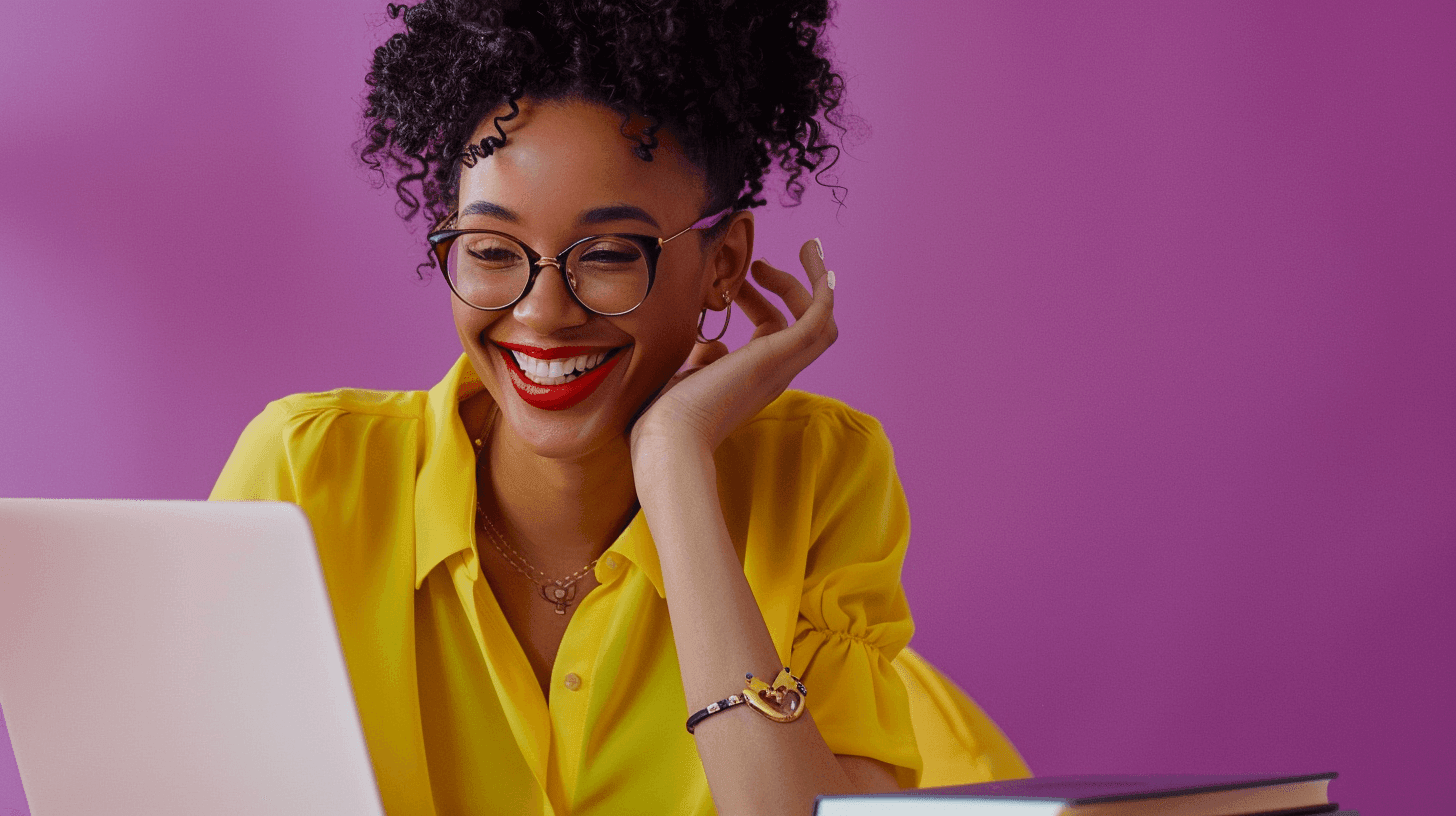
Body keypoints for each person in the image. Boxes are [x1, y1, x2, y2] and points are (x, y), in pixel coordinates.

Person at [211, 1, 1027, 813]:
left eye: (606, 255)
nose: (542, 312)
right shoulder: (304, 472)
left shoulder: (817, 473)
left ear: (724, 265)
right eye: (493, 252)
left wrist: (676, 464)